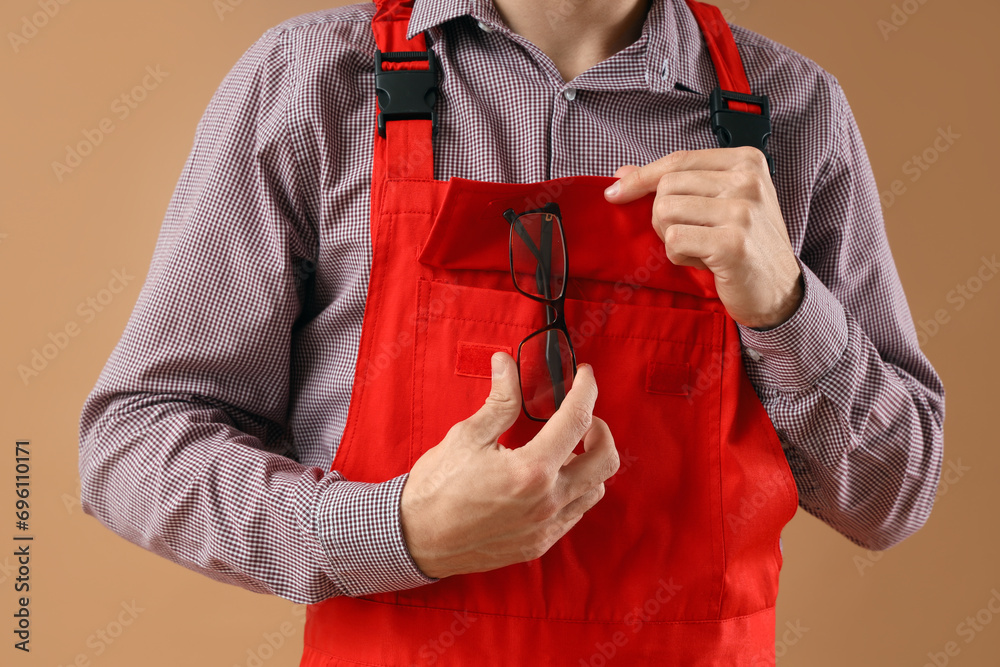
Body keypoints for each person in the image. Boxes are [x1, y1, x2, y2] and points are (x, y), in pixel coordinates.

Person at [78, 0, 945, 664]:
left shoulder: (793, 117)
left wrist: (786, 306)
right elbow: (133, 442)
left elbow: (891, 499)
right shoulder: (312, 82)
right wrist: (390, 530)